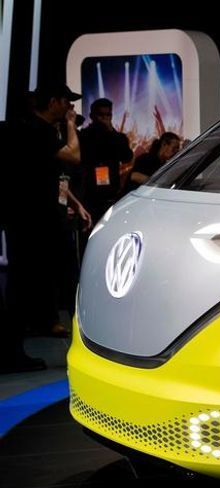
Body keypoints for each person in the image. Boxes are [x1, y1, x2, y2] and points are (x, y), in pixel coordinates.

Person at [0, 84, 92, 372]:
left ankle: (13, 352)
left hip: (31, 220)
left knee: (33, 285)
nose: (70, 109)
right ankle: (12, 354)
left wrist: (74, 203)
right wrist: (70, 127)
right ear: (53, 101)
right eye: (67, 102)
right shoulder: (38, 130)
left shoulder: (27, 128)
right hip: (36, 222)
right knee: (41, 284)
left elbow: (53, 178)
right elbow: (74, 156)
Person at [78, 98, 133, 221]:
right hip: (89, 193)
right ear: (92, 116)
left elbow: (127, 158)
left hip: (111, 192)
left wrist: (111, 131)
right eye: (101, 115)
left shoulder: (117, 137)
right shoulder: (84, 135)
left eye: (108, 114)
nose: (104, 118)